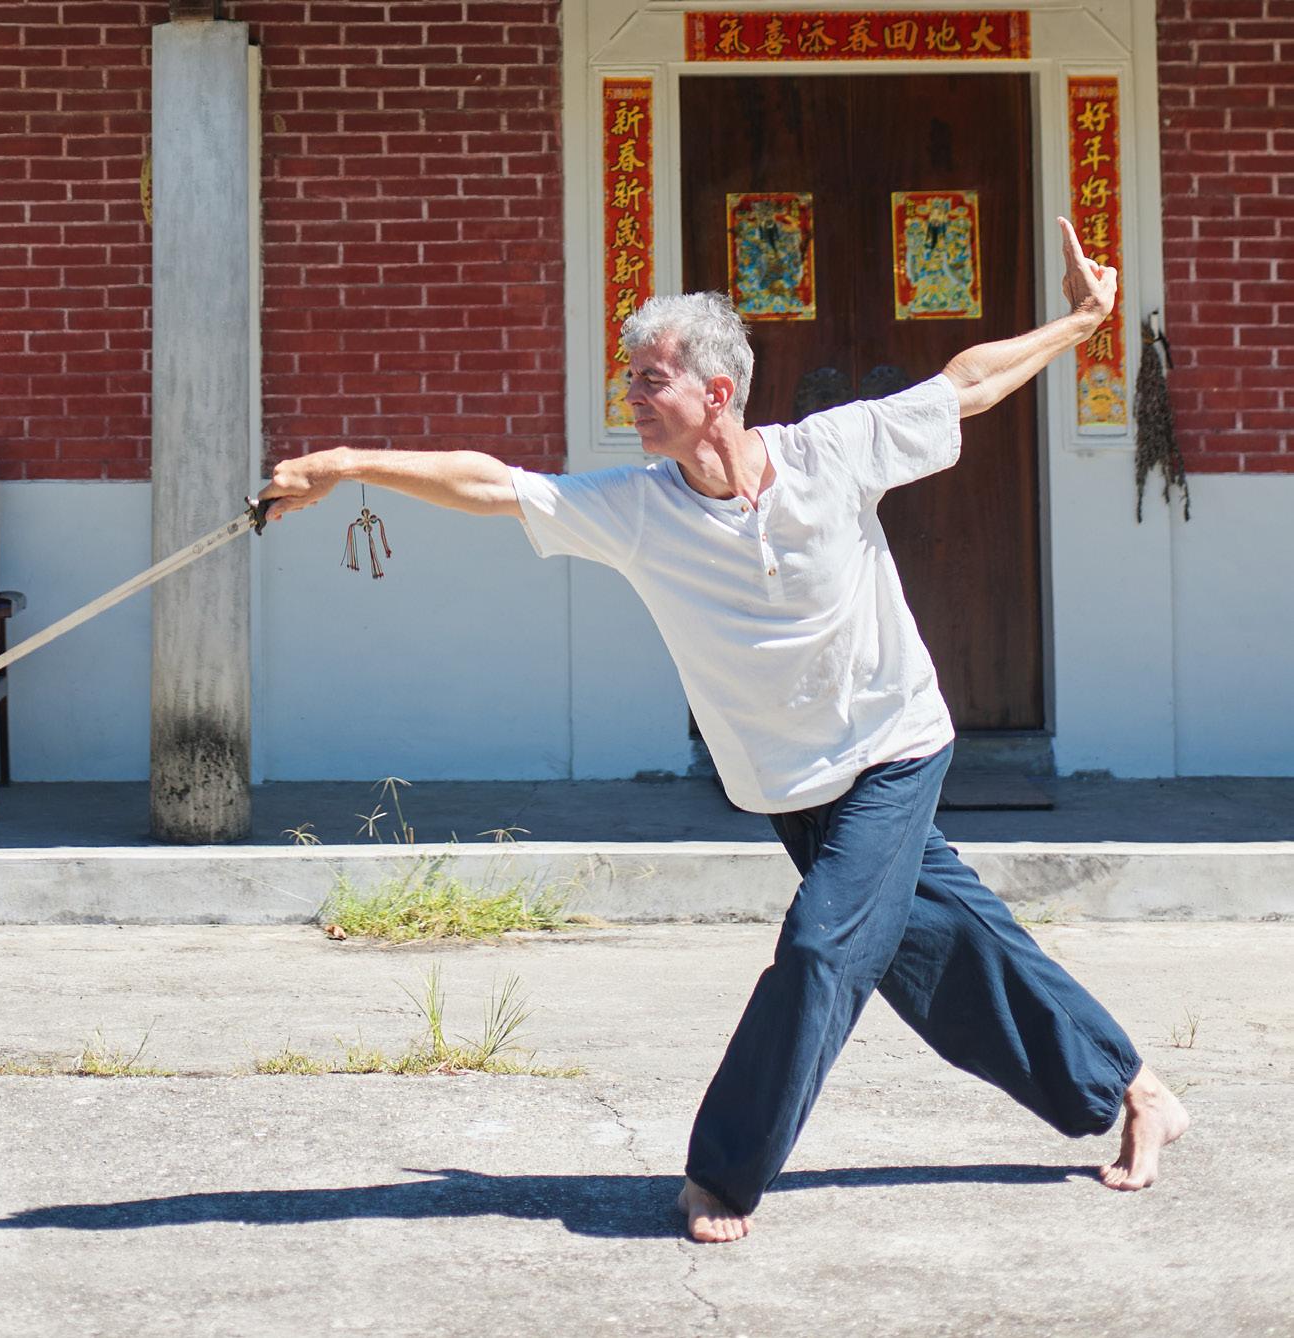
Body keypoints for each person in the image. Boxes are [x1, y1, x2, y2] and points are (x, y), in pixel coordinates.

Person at [255, 216, 1189, 1244]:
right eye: (629, 379)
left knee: (824, 948)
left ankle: (723, 1171)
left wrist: (1081, 322)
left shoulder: (832, 451)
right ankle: (1136, 1088)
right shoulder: (637, 509)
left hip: (892, 744)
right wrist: (345, 462)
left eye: (648, 379)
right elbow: (494, 485)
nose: (629, 397)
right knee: (949, 951)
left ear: (714, 391)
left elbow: (962, 385)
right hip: (785, 782)